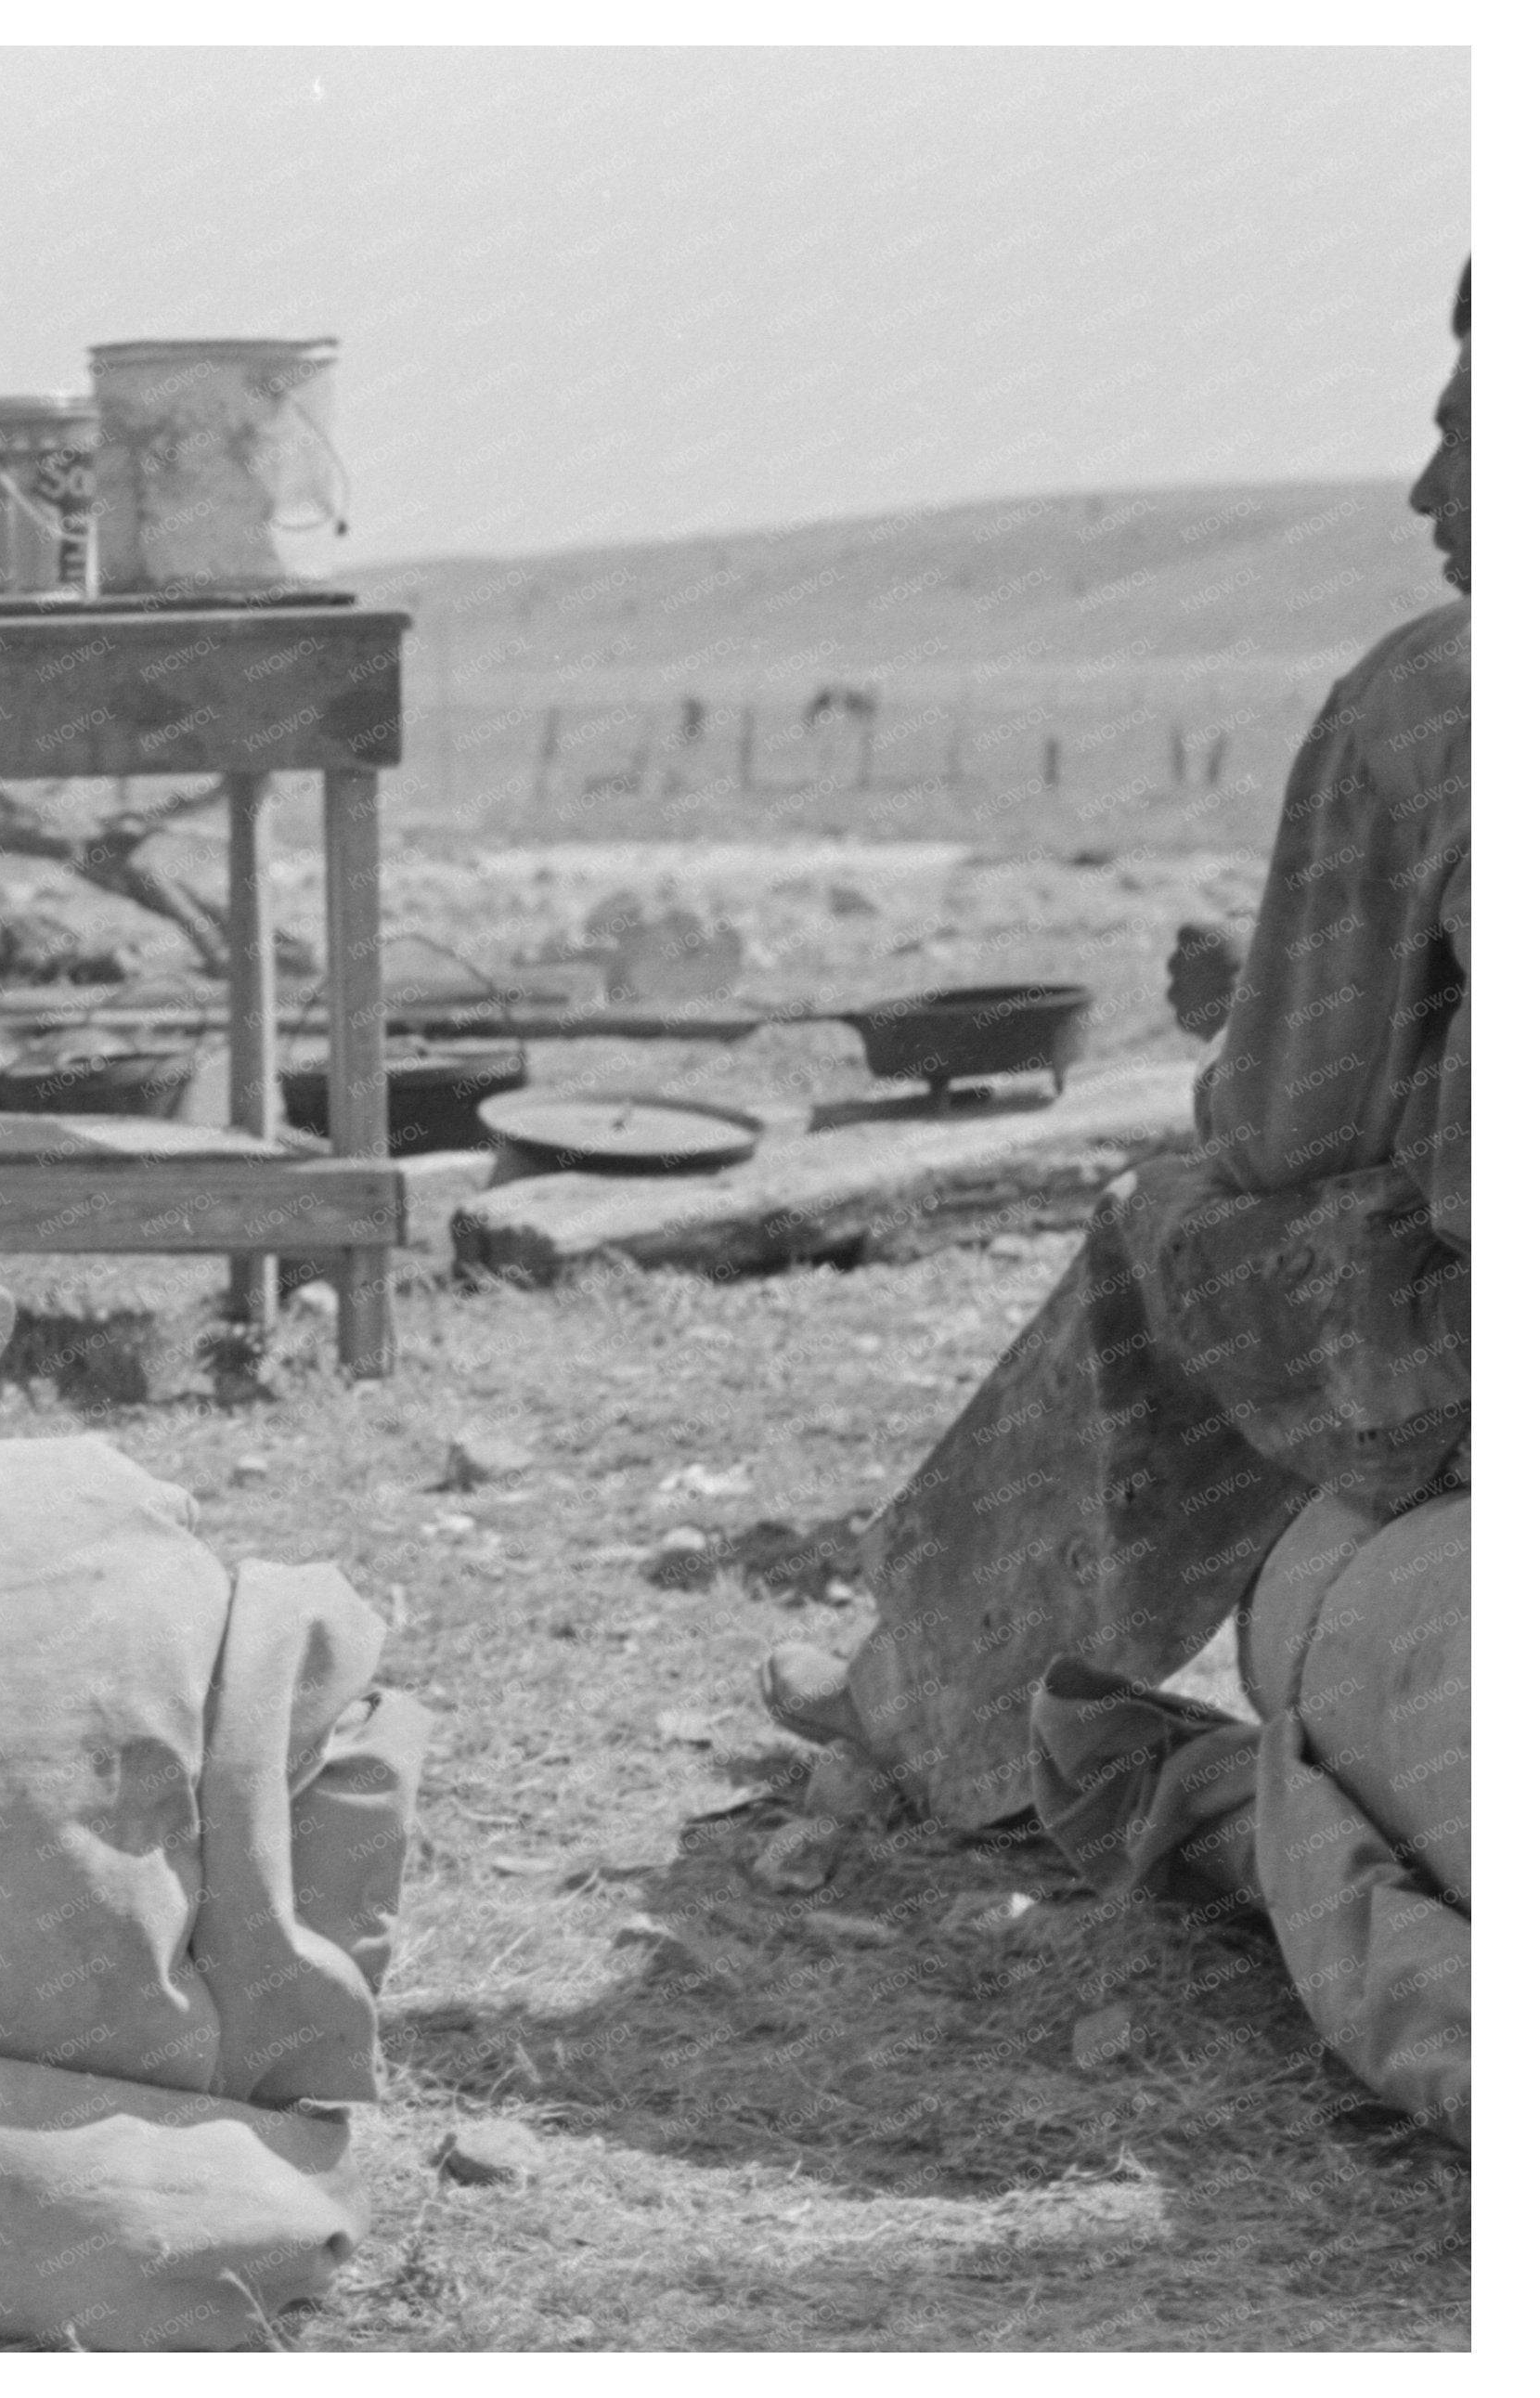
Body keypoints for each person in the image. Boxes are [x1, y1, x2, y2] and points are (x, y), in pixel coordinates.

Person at [762, 266, 1468, 2139]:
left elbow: (1286, 1126)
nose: (1430, 483)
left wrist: (1278, 1025)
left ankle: (934, 1689)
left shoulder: (1450, 690)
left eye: (1469, 405)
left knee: (1187, 1222)